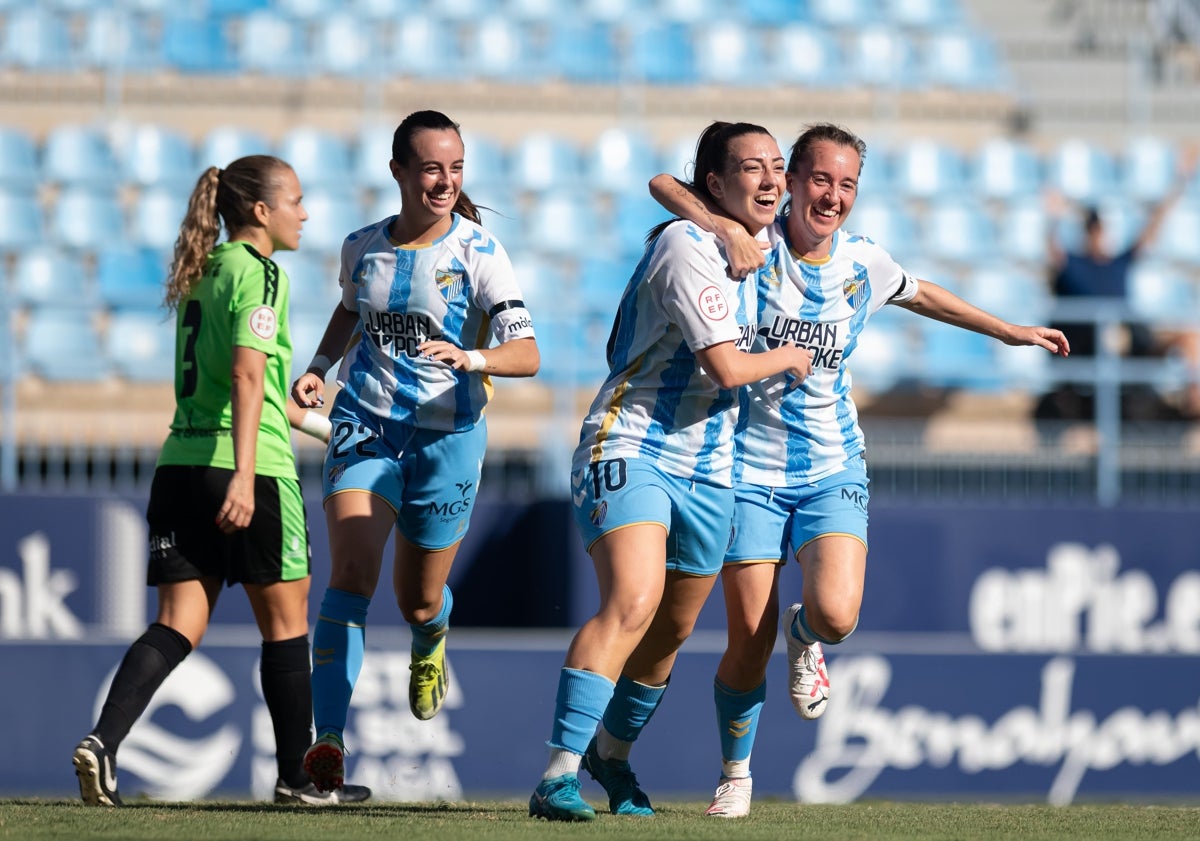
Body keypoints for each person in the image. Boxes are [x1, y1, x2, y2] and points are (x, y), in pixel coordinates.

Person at [646, 122, 1071, 817]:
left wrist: (1009, 330)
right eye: (819, 178)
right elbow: (664, 185)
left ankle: (807, 636)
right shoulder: (751, 238)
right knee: (745, 643)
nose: (832, 196)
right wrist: (719, 229)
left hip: (831, 464)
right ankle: (737, 772)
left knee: (838, 614)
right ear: (789, 181)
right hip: (746, 469)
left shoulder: (861, 264)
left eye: (847, 184)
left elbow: (923, 292)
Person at [528, 121, 815, 823]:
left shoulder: (770, 242)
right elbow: (726, 367)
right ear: (715, 184)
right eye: (753, 168)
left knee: (669, 632)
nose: (773, 180)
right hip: (631, 443)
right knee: (633, 598)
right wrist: (790, 356)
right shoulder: (687, 245)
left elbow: (665, 183)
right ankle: (558, 773)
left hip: (712, 467)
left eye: (778, 166)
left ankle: (612, 758)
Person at [71, 155, 371, 807]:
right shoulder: (260, 272)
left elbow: (257, 388)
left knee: (178, 622)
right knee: (287, 622)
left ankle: (102, 741)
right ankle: (300, 779)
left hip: (179, 465)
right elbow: (245, 376)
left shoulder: (203, 271)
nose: (305, 212)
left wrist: (325, 428)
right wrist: (242, 476)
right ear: (260, 212)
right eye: (295, 199)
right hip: (250, 470)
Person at [289, 110, 540, 793]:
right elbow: (351, 310)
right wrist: (319, 365)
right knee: (349, 576)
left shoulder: (480, 251)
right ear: (397, 170)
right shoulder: (360, 246)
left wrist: (473, 354)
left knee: (419, 600)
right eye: (432, 167)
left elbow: (528, 352)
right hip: (365, 423)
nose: (445, 180)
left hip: (448, 439)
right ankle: (329, 745)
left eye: (455, 168)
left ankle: (431, 639)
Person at [1037, 149, 1200, 423]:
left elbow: (1152, 229)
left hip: (1132, 345)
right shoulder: (1074, 266)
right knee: (1110, 335)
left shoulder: (1119, 262)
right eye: (1094, 230)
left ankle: (1193, 406)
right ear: (1087, 232)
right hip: (1090, 347)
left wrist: (1179, 182)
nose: (1099, 236)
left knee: (1188, 338)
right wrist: (1052, 218)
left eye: (1101, 229)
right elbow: (1053, 253)